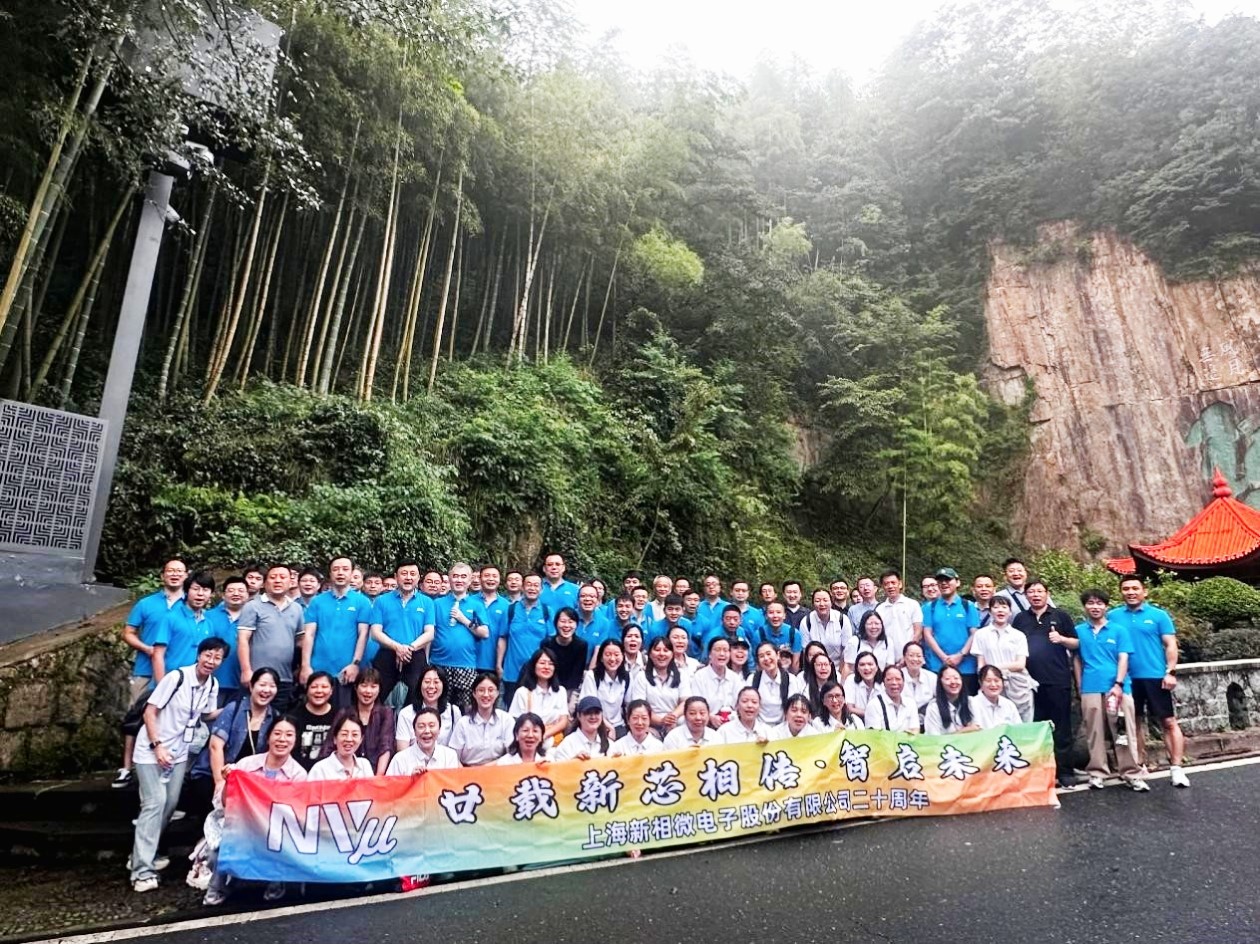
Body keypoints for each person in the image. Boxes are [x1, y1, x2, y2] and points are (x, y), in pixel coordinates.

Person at [129, 636, 226, 892]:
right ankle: (141, 871)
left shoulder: (212, 684)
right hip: (152, 750)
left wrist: (233, 708)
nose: (211, 661)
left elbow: (206, 714)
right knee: (154, 803)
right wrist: (157, 745)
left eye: (217, 657)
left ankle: (141, 853)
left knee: (169, 805)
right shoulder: (177, 678)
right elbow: (150, 711)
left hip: (179, 753)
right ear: (199, 654)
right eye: (208, 655)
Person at [201, 716, 305, 906]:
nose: (282, 739)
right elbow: (225, 804)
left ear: (296, 740)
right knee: (219, 850)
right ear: (268, 737)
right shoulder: (246, 765)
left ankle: (276, 885)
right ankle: (218, 888)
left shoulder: (298, 774)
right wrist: (228, 782)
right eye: (277, 733)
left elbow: (297, 815)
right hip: (243, 828)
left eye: (289, 735)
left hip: (276, 832)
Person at [1108, 578, 1188, 786]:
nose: (1131, 592)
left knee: (1168, 722)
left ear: (1145, 592)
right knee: (1133, 724)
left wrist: (1170, 672)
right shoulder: (1113, 616)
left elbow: (1170, 645)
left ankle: (1177, 768)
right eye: (1126, 589)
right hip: (1126, 679)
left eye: (1135, 588)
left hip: (1155, 676)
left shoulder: (1159, 615)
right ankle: (1138, 765)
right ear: (1121, 592)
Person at [116, 558, 187, 788]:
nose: (174, 575)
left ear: (186, 575)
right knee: (135, 717)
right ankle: (126, 767)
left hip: (177, 673)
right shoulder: (146, 603)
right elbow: (128, 632)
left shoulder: (190, 605)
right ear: (162, 575)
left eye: (179, 571)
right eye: (170, 571)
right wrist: (147, 648)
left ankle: (167, 765)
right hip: (145, 670)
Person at [1013, 579, 1079, 788]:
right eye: (1031, 592)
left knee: (1061, 727)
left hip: (1057, 679)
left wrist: (1062, 639)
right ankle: (1040, 773)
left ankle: (1065, 772)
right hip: (1028, 683)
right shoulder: (1020, 619)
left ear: (1047, 593)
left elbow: (1076, 643)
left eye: (1039, 591)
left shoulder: (1060, 616)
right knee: (1034, 728)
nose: (1035, 595)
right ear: (1026, 596)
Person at [188, 667, 280, 817]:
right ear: (251, 686)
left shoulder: (275, 717)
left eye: (272, 686)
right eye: (262, 684)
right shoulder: (233, 709)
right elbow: (215, 746)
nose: (266, 690)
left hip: (246, 781)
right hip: (213, 775)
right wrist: (220, 782)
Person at [1076, 588, 1143, 790]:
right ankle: (1097, 773)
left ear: (1106, 606)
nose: (1095, 607)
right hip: (1090, 687)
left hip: (1117, 687)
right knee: (1094, 732)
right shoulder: (1079, 631)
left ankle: (1131, 773)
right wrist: (1079, 685)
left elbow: (1124, 658)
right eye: (1090, 603)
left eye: (1099, 603)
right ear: (1085, 606)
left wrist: (1118, 684)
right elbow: (1077, 660)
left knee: (1123, 730)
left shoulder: (1118, 630)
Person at [300, 556, 371, 709]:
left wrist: (355, 664)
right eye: (336, 569)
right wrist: (305, 666)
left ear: (352, 573)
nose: (340, 573)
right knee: (316, 714)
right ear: (330, 573)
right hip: (318, 669)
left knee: (343, 716)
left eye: (345, 569)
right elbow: (309, 634)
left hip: (347, 671)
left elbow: (363, 635)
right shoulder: (317, 601)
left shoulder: (362, 602)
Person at [237, 563, 305, 712]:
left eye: (282, 577)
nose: (277, 580)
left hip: (284, 678)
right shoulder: (252, 606)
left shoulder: (297, 609)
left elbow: (300, 642)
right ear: (265, 582)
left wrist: (302, 667)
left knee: (279, 720)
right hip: (257, 677)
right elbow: (243, 639)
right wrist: (246, 670)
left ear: (291, 582)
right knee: (252, 718)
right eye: (273, 577)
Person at [368, 561, 436, 707]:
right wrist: (397, 647)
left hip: (415, 653)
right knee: (376, 696)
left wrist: (409, 648)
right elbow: (375, 632)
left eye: (412, 574)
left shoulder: (427, 602)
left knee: (417, 699)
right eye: (404, 573)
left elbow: (429, 633)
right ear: (396, 577)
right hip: (387, 653)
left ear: (418, 578)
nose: (408, 577)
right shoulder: (381, 601)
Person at [429, 562, 490, 711]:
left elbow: (485, 633)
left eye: (463, 577)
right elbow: (430, 633)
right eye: (455, 576)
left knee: (467, 709)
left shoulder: (477, 604)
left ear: (469, 581)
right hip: (439, 663)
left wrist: (464, 620)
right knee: (438, 706)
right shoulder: (437, 603)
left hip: (465, 664)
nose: (459, 580)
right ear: (449, 579)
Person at [971, 595, 1035, 721]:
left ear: (1010, 612)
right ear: (990, 612)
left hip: (1018, 686)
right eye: (996, 607)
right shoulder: (981, 634)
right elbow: (980, 665)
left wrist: (993, 668)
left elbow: (1020, 664)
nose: (1000, 610)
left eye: (1004, 607)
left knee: (1022, 723)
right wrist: (989, 677)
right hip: (992, 684)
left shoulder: (1018, 635)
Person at [320, 668, 394, 775]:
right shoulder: (344, 713)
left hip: (375, 773)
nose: (368, 691)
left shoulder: (385, 713)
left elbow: (386, 745)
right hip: (344, 773)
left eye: (373, 687)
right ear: (356, 687)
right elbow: (330, 744)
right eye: (364, 685)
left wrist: (378, 777)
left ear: (379, 689)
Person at [921, 568, 980, 691]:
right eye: (940, 581)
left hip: (965, 667)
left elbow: (974, 633)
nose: (944, 583)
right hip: (937, 666)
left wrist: (960, 655)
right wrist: (943, 657)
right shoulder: (929, 607)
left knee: (967, 701)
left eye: (948, 580)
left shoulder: (968, 606)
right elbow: (927, 634)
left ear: (957, 582)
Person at [153, 571, 218, 680]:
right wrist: (162, 685)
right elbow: (158, 653)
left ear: (211, 594)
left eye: (205, 590)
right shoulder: (170, 617)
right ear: (186, 591)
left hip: (195, 682)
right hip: (171, 679)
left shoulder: (208, 623)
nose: (200, 593)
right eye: (196, 589)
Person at [498, 574, 551, 704]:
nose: (532, 588)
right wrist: (499, 664)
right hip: (512, 672)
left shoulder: (547, 611)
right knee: (511, 709)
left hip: (537, 673)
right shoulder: (511, 609)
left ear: (541, 589)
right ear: (522, 587)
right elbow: (502, 638)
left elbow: (552, 642)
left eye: (536, 585)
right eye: (529, 584)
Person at [449, 673, 514, 765]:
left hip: (499, 769)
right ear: (474, 693)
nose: (486, 694)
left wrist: (487, 768)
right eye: (481, 690)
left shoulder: (506, 720)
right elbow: (453, 757)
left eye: (490, 690)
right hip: (468, 771)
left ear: (497, 693)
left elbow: (511, 754)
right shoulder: (463, 723)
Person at [508, 648, 570, 743]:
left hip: (553, 741)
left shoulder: (561, 691)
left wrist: (544, 735)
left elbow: (563, 721)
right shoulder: (522, 692)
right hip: (529, 741)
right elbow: (515, 721)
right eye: (542, 663)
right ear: (534, 666)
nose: (546, 667)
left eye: (551, 664)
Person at [396, 665, 461, 752]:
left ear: (444, 685)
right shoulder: (406, 713)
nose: (431, 686)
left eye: (436, 682)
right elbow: (402, 752)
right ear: (420, 684)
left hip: (445, 760)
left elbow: (457, 750)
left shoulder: (453, 712)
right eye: (427, 682)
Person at [208, 576, 250, 707]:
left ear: (248, 595)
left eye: (240, 591)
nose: (236, 594)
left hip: (243, 680)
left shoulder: (254, 617)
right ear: (223, 595)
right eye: (231, 590)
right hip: (212, 680)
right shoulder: (208, 616)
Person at [634, 636, 689, 736]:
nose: (661, 654)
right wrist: (661, 721)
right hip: (650, 724)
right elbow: (640, 706)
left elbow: (685, 702)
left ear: (672, 654)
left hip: (675, 721)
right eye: (657, 650)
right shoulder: (641, 676)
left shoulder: (681, 675)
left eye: (666, 650)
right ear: (650, 654)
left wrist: (672, 717)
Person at [580, 639, 633, 737]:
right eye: (608, 655)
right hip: (596, 725)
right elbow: (589, 706)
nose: (612, 659)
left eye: (616, 655)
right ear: (601, 658)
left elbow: (629, 704)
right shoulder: (592, 676)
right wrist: (608, 727)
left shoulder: (627, 677)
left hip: (619, 725)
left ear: (623, 656)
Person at [386, 708, 461, 774]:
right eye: (421, 726)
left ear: (439, 730)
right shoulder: (399, 759)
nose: (427, 731)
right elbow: (390, 784)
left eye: (431, 726)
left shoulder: (449, 756)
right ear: (414, 731)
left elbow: (453, 784)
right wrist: (410, 780)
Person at [750, 641, 805, 726]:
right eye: (761, 656)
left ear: (778, 655)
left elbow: (795, 706)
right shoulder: (752, 679)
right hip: (759, 727)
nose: (766, 658)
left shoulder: (791, 680)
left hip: (784, 727)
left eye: (768, 654)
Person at [690, 637, 740, 727]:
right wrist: (710, 717)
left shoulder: (735, 678)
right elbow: (696, 705)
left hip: (731, 725)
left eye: (725, 650)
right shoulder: (699, 676)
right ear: (709, 654)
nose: (722, 654)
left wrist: (731, 717)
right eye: (717, 650)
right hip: (704, 724)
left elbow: (739, 706)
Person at [291, 671, 337, 770]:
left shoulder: (339, 716)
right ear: (307, 689)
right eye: (314, 687)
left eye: (324, 687)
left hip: (330, 773)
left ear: (331, 691)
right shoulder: (293, 716)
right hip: (299, 772)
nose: (319, 691)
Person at [875, 570, 923, 659]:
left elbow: (918, 632)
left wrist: (908, 654)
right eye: (886, 584)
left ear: (900, 584)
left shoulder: (912, 604)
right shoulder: (879, 609)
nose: (890, 586)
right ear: (882, 587)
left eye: (893, 583)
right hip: (887, 657)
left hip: (909, 657)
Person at [308, 716, 374, 780]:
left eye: (355, 735)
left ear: (361, 739)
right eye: (344, 734)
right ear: (335, 738)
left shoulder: (365, 765)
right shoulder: (320, 769)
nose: (349, 739)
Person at [475, 565, 511, 676]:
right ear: (480, 578)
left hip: (495, 664)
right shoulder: (469, 601)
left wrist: (500, 664)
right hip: (470, 662)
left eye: (494, 576)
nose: (491, 579)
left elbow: (505, 637)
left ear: (500, 579)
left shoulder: (507, 605)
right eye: (487, 575)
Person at [803, 587, 853, 666]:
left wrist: (840, 671)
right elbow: (806, 650)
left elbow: (847, 650)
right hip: (815, 667)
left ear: (831, 602)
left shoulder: (842, 619)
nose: (822, 604)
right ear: (813, 604)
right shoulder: (807, 621)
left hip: (838, 666)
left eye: (825, 600)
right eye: (817, 601)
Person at [545, 607, 590, 697]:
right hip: (549, 689)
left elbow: (577, 674)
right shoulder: (547, 643)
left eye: (570, 622)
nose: (566, 625)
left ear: (576, 625)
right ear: (556, 623)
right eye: (563, 621)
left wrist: (567, 697)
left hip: (570, 691)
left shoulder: (581, 645)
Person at [923, 667, 980, 735]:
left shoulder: (971, 702)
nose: (953, 682)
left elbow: (978, 729)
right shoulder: (934, 707)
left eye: (956, 678)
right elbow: (934, 738)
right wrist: (963, 731)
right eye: (948, 679)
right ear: (940, 682)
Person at [863, 664, 919, 733]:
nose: (894, 683)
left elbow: (915, 730)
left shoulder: (911, 703)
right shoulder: (874, 705)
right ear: (883, 683)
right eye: (889, 679)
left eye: (898, 679)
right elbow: (874, 735)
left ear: (903, 682)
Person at [970, 665, 1024, 729]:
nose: (993, 684)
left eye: (996, 680)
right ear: (980, 683)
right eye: (988, 681)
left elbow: (1018, 728)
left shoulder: (1009, 704)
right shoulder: (973, 704)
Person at [844, 611, 893, 675]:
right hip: (858, 679)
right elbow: (848, 667)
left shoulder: (888, 642)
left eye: (877, 623)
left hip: (880, 680)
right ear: (863, 625)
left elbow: (889, 667)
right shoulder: (854, 641)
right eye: (870, 624)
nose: (873, 627)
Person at [760, 602, 802, 670]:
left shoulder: (794, 633)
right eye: (771, 612)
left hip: (787, 672)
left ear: (784, 615)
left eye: (778, 612)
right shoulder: (759, 634)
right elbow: (757, 663)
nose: (775, 616)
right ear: (766, 616)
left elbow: (796, 662)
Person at [843, 651, 884, 720]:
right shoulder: (851, 680)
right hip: (857, 721)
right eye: (862, 665)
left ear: (877, 667)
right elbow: (849, 708)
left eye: (870, 664)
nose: (866, 668)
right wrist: (871, 715)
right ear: (857, 668)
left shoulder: (883, 683)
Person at [900, 641, 938, 716]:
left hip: (926, 718)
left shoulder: (932, 677)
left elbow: (939, 700)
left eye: (919, 656)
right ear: (904, 657)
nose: (915, 659)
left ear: (923, 659)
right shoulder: (896, 676)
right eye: (911, 655)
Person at [800, 648, 838, 718]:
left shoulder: (838, 688)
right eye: (819, 665)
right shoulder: (806, 690)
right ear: (813, 667)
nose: (823, 668)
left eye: (826, 664)